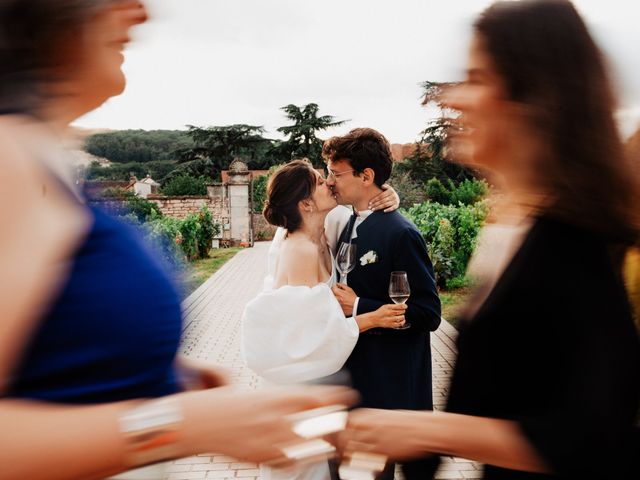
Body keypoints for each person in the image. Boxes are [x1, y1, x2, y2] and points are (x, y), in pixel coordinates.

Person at [0, 2, 357, 479]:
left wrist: (162, 370)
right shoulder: (9, 164)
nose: (139, 11)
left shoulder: (40, 158)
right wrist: (182, 425)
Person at [339, 1, 640, 479]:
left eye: (478, 78)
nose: (455, 98)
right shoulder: (514, 222)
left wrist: (427, 431)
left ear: (533, 98)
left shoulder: (578, 238)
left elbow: (587, 438)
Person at [241, 159, 406, 480]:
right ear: (305, 204)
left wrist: (389, 194)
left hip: (323, 377)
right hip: (300, 382)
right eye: (319, 181)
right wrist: (371, 319)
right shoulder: (299, 249)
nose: (328, 183)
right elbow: (313, 335)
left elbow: (362, 204)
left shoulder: (326, 228)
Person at [322, 128, 442, 480]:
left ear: (366, 176)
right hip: (353, 379)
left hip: (386, 385)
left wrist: (359, 306)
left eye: (336, 173)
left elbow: (429, 313)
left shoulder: (401, 233)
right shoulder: (348, 222)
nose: (330, 182)